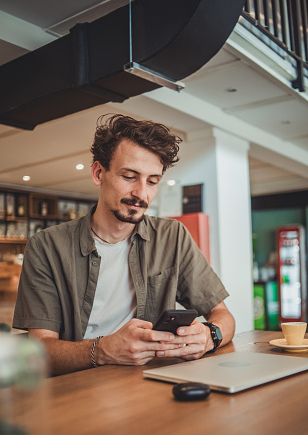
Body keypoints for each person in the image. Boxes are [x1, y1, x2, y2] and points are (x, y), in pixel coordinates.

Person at [13, 114, 235, 375]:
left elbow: (223, 315)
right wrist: (104, 349)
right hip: (76, 389)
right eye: (130, 176)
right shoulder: (46, 246)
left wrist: (210, 336)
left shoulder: (172, 236)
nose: (142, 194)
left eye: (152, 181)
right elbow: (39, 352)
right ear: (98, 173)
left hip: (150, 385)